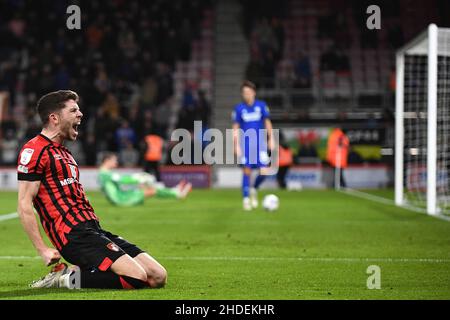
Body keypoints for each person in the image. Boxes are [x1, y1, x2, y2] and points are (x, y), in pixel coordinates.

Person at [17, 90, 166, 290]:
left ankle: (77, 274)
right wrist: (42, 248)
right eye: (73, 111)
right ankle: (64, 278)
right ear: (54, 118)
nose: (80, 114)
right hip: (72, 235)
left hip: (92, 229)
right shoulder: (35, 150)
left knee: (157, 276)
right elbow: (24, 203)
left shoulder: (65, 153)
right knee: (137, 278)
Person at [232, 80, 274, 211]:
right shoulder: (239, 109)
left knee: (264, 172)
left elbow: (267, 123)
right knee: (247, 171)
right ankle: (246, 199)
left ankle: (254, 189)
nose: (246, 95)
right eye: (244, 93)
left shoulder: (261, 106)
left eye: (248, 92)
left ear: (254, 93)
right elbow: (235, 128)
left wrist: (271, 138)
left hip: (260, 144)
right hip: (246, 144)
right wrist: (236, 145)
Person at [99, 152, 191, 207]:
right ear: (107, 160)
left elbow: (114, 187)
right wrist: (138, 178)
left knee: (147, 188)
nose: (116, 163)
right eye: (114, 160)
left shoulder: (103, 173)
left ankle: (175, 191)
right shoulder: (105, 174)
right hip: (121, 200)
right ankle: (177, 193)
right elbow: (123, 179)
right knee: (152, 191)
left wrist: (136, 183)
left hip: (120, 197)